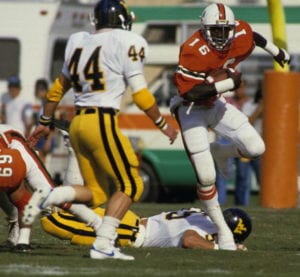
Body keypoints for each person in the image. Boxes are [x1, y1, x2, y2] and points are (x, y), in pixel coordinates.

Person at [28, 0, 177, 260]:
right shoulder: (127, 40)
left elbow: (57, 89)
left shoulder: (78, 40)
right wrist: (163, 125)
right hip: (101, 121)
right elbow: (141, 95)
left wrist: (44, 122)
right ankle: (104, 244)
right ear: (122, 20)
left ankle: (52, 194)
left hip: (78, 124)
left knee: (97, 193)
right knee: (131, 184)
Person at [170, 3, 290, 250]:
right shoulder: (193, 49)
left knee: (256, 148)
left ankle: (221, 152)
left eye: (226, 30)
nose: (222, 36)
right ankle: (224, 234)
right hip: (190, 109)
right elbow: (190, 92)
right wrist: (226, 85)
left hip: (215, 105)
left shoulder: (240, 34)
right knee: (206, 177)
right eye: (216, 30)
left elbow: (253, 37)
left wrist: (276, 51)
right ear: (204, 29)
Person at [40, 206, 251, 251]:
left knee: (66, 207)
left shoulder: (201, 212)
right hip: (127, 233)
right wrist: (220, 248)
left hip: (131, 217)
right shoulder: (208, 234)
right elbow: (189, 240)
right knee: (51, 222)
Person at [0, 124, 54, 251]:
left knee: (51, 194)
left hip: (15, 144)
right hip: (7, 146)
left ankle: (97, 225)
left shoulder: (16, 153)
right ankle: (17, 228)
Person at [32, 78, 57, 163]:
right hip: (41, 137)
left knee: (41, 160)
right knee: (38, 159)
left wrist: (48, 141)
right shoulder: (42, 104)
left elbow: (52, 125)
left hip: (46, 137)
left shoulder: (48, 105)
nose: (38, 93)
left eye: (40, 90)